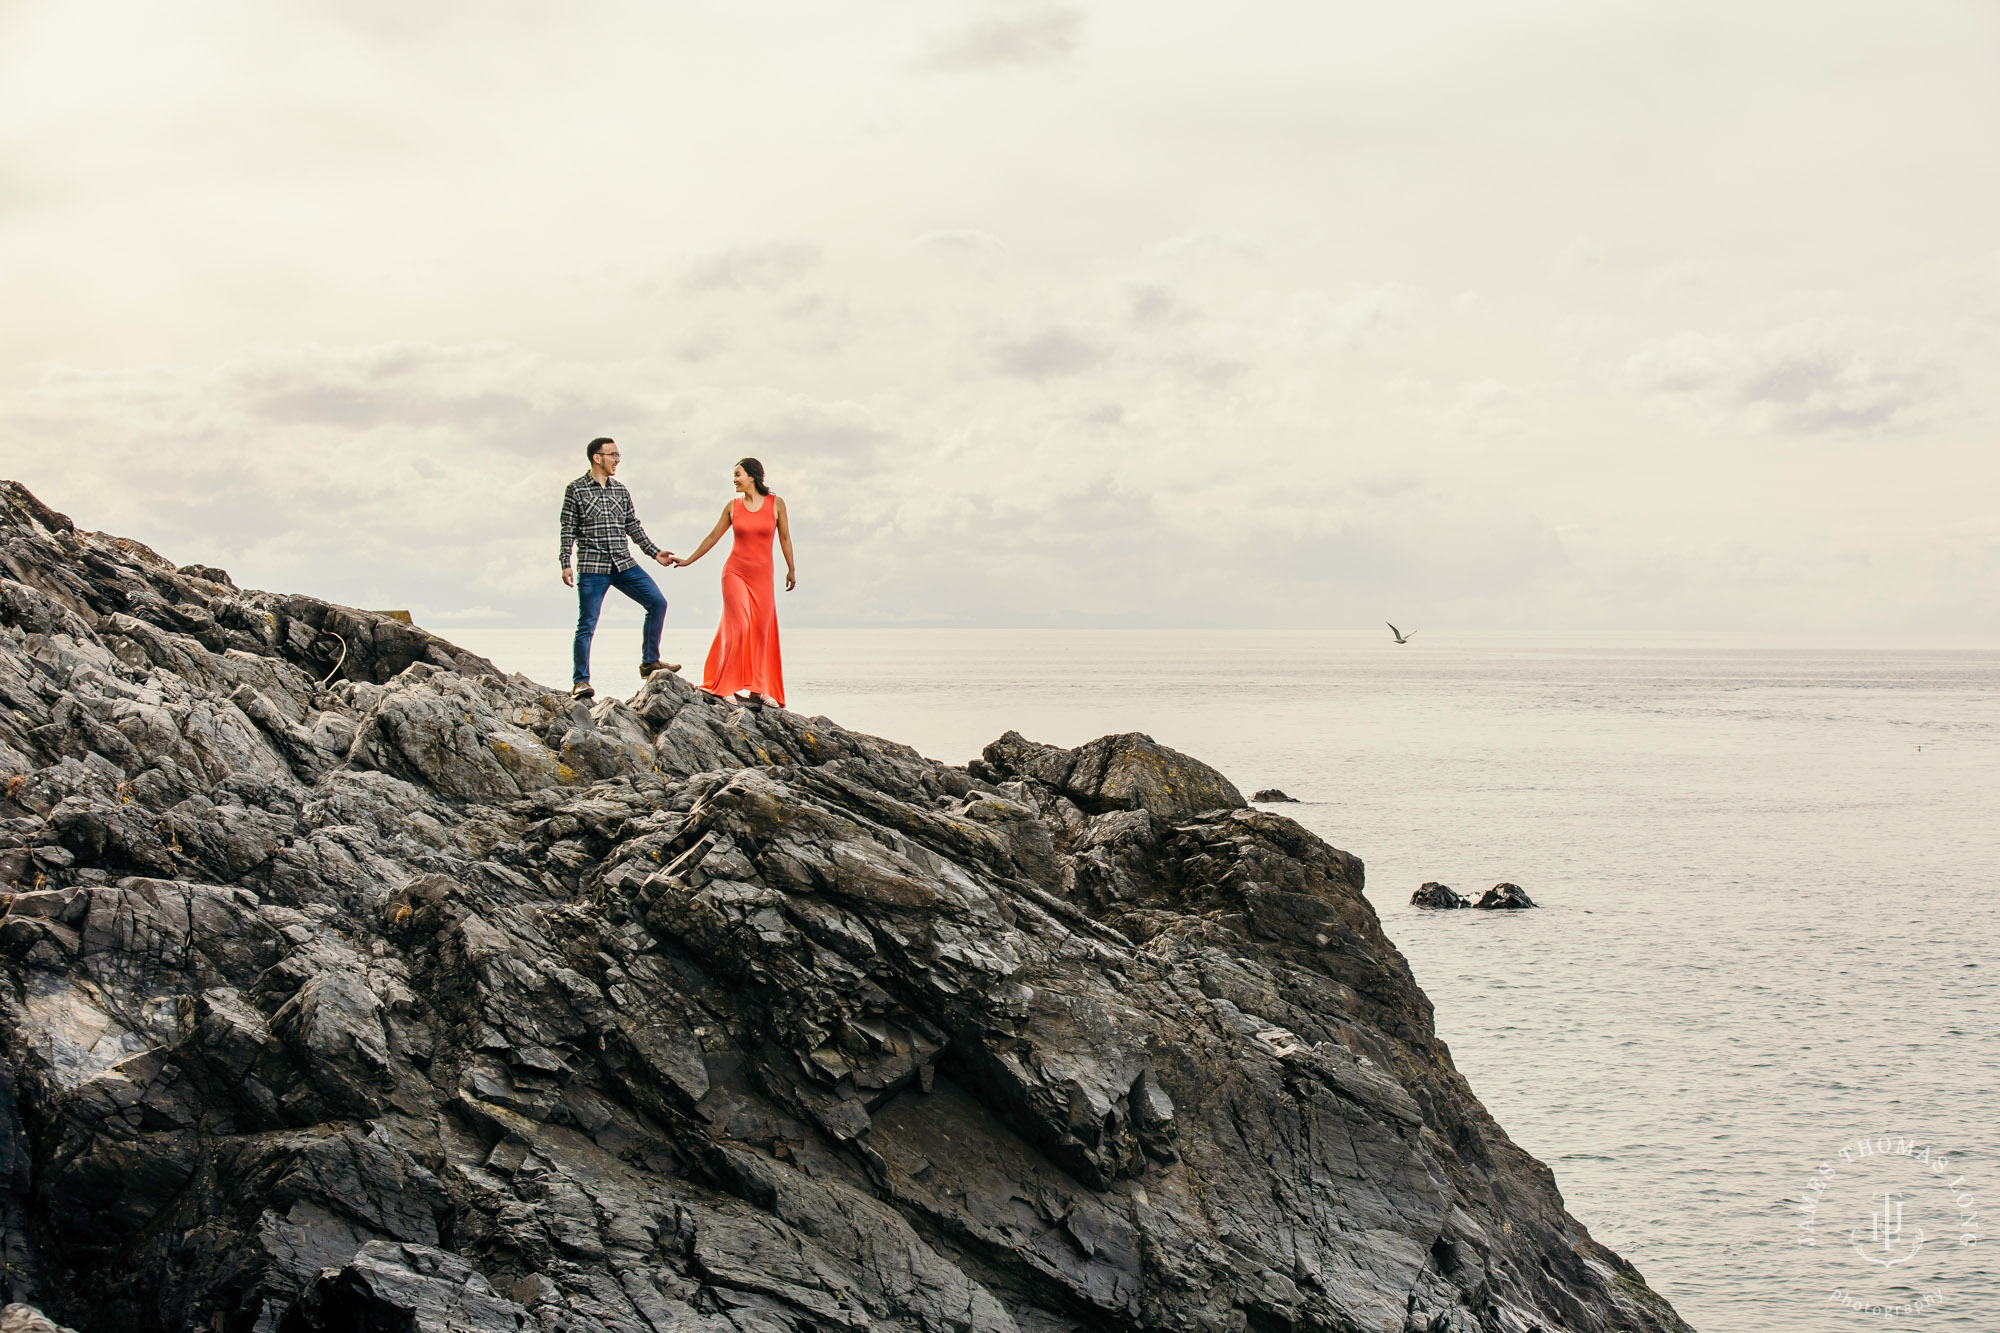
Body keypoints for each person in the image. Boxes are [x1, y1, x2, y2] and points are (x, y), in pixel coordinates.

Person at [558, 437, 678, 701]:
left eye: (618, 455)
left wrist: (654, 552)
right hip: (592, 566)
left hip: (624, 564)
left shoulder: (621, 490)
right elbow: (568, 528)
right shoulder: (575, 489)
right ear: (597, 457)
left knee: (657, 602)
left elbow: (632, 525)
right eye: (613, 455)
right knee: (586, 624)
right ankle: (581, 682)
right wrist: (565, 562)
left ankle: (650, 662)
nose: (617, 460)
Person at [670, 457, 794, 708]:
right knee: (738, 626)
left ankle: (759, 689)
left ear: (753, 476)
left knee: (760, 631)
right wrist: (689, 560)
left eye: (738, 474)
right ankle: (723, 685)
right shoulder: (732, 507)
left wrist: (792, 569)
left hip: (763, 577)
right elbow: (713, 536)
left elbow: (785, 538)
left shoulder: (776, 504)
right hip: (735, 572)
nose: (734, 479)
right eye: (734, 475)